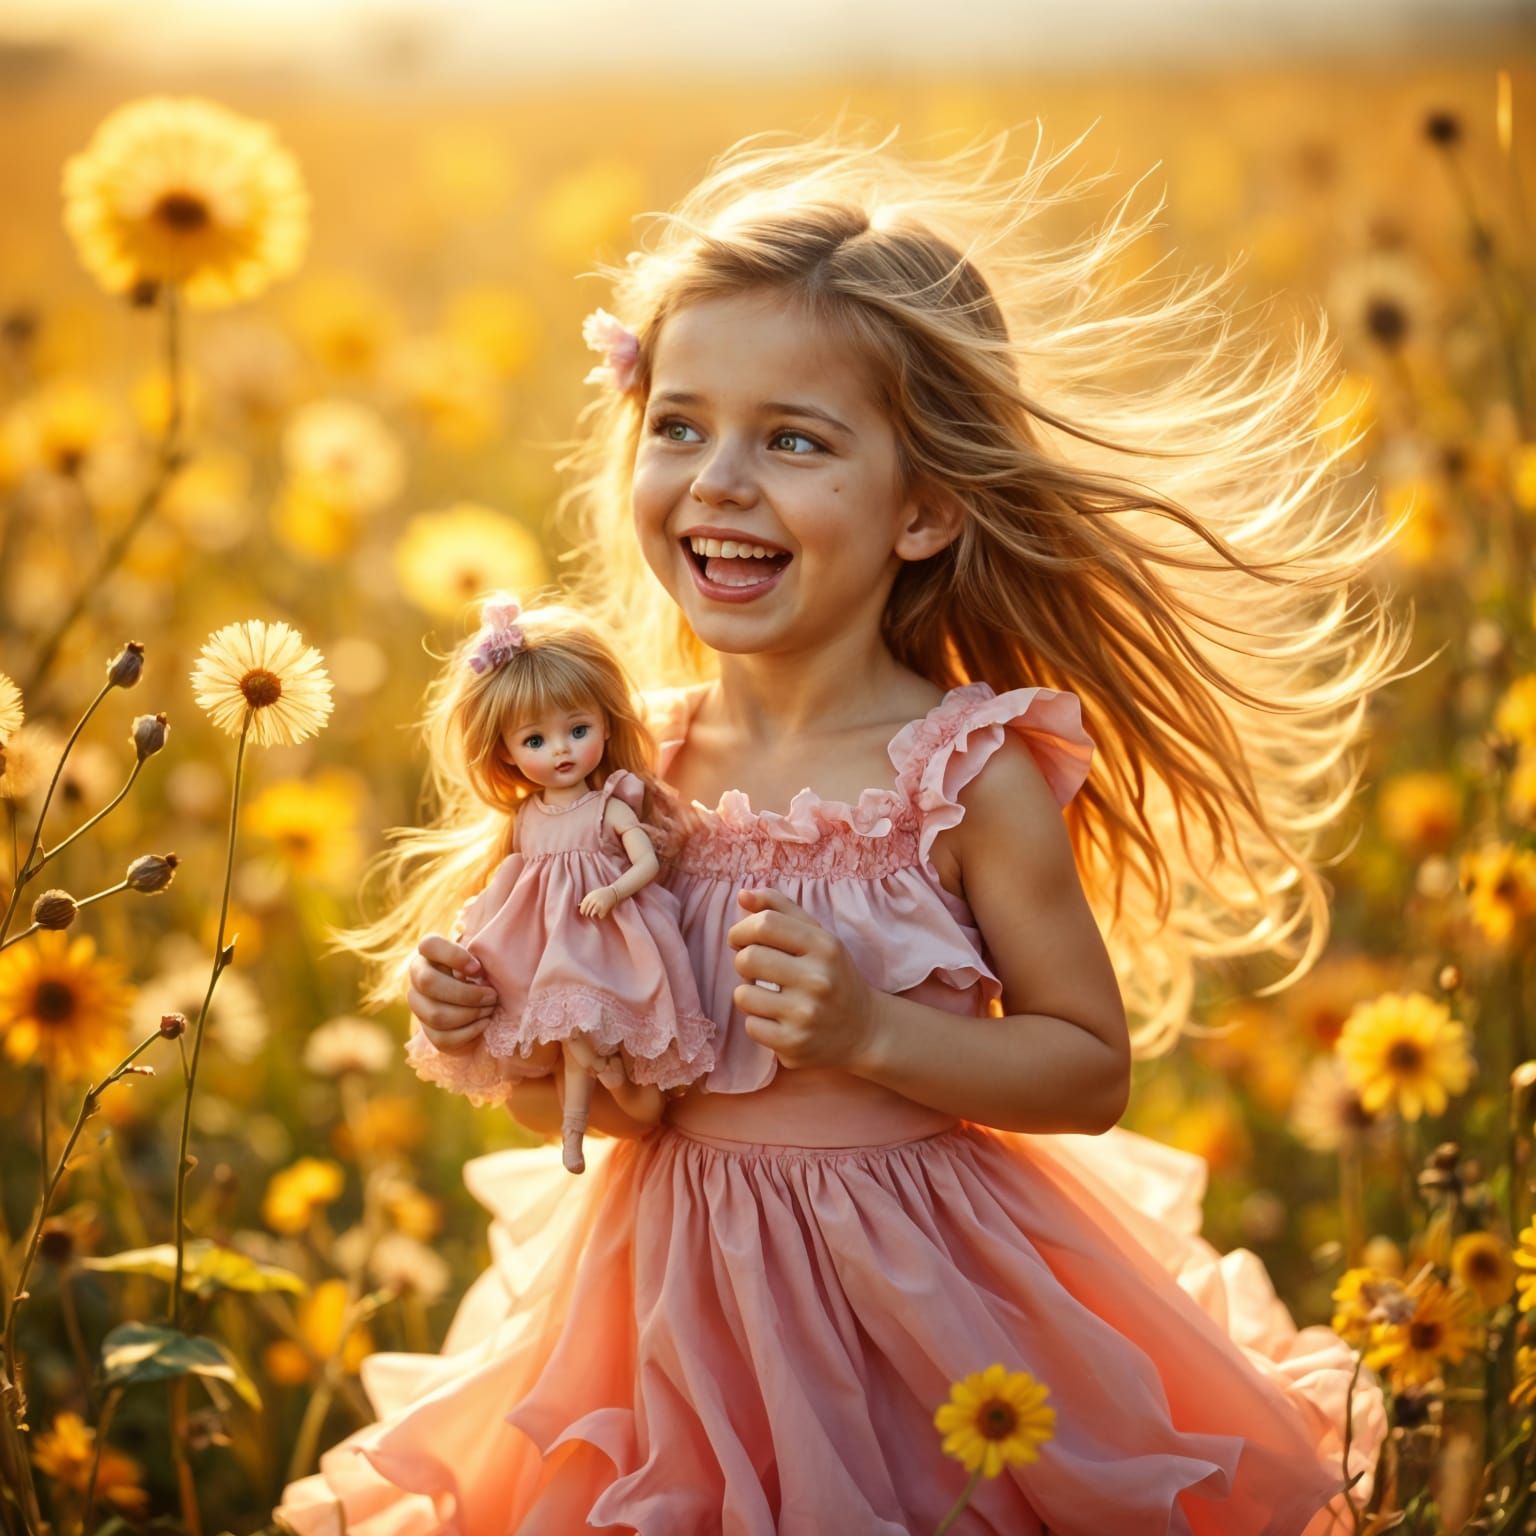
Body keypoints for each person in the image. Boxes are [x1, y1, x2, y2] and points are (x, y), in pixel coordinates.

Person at [275, 124, 1403, 1535]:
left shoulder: (966, 772)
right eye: (679, 424)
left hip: (927, 1314)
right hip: (669, 1316)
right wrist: (497, 1031)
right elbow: (623, 1099)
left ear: (924, 508)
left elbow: (1085, 1067)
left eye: (793, 440)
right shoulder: (635, 775)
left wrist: (874, 1036)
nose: (720, 481)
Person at [398, 592, 716, 1174]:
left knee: (593, 1043)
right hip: (547, 958)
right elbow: (500, 904)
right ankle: (575, 1133)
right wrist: (458, 974)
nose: (562, 751)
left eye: (577, 729)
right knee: (567, 1047)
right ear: (507, 755)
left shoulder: (612, 805)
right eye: (535, 741)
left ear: (605, 722)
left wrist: (614, 892)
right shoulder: (524, 821)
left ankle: (622, 1095)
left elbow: (643, 862)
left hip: (603, 944)